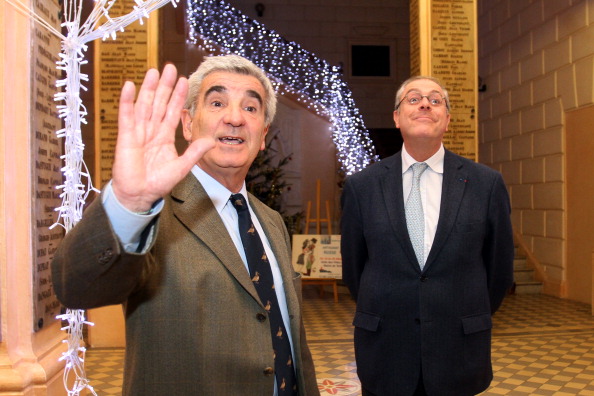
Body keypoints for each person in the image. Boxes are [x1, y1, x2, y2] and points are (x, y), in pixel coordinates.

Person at [52, 55, 319, 396]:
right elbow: (75, 288)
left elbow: (291, 336)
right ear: (188, 123)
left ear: (263, 134)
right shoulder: (152, 214)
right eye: (218, 102)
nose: (235, 118)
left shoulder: (271, 221)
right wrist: (129, 206)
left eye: (251, 109)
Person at [340, 76, 514, 396]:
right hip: (385, 350)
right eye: (414, 98)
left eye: (435, 101)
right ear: (396, 117)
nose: (424, 104)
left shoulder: (485, 185)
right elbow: (354, 269)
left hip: (458, 351)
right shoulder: (362, 187)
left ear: (447, 120)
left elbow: (499, 270)